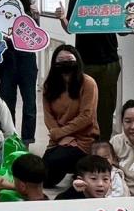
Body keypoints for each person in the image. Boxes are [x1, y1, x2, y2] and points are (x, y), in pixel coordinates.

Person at [56, 0, 127, 142]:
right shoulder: (77, 0)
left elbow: (122, 30)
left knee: (106, 106)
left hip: (108, 62)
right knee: (82, 105)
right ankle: (84, 143)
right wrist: (62, 18)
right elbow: (71, 28)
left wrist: (133, 26)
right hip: (84, 62)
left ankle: (102, 145)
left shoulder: (113, 0)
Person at [41, 45, 100, 188]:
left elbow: (86, 116)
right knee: (41, 174)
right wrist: (61, 136)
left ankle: (79, 169)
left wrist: (61, 133)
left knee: (54, 162)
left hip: (83, 139)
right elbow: (48, 116)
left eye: (69, 60)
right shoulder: (49, 85)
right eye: (61, 60)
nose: (65, 63)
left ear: (77, 61)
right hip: (59, 139)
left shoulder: (88, 83)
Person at [0, 0, 41, 145]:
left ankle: (27, 140)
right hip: (6, 62)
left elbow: (37, 37)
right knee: (7, 104)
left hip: (27, 62)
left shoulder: (31, 10)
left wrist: (36, 17)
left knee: (30, 104)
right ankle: (11, 140)